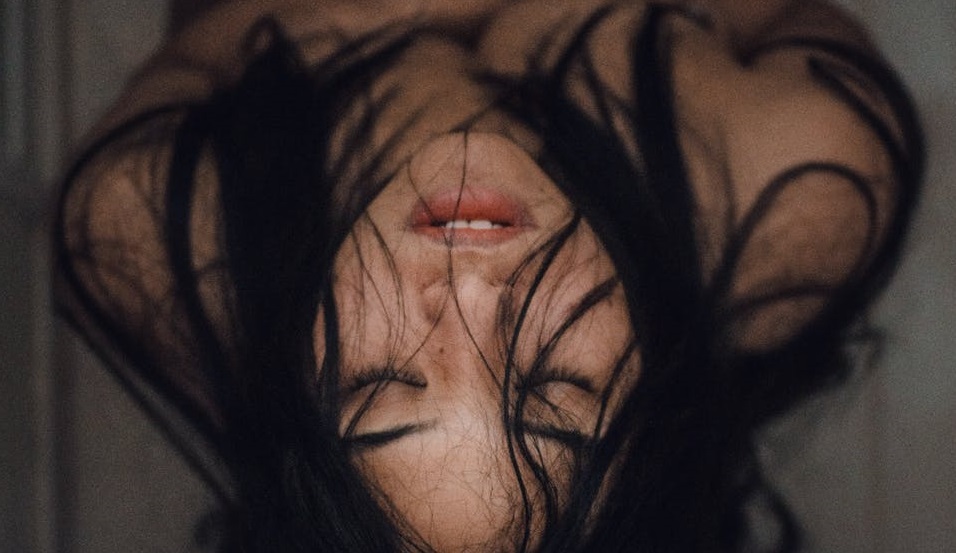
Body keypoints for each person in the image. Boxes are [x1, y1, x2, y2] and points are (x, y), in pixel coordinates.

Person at [53, 1, 923, 551]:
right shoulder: (807, 182)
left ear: (291, 387)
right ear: (655, 391)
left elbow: (199, 41)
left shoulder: (141, 222)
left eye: (381, 378)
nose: (469, 290)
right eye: (555, 380)